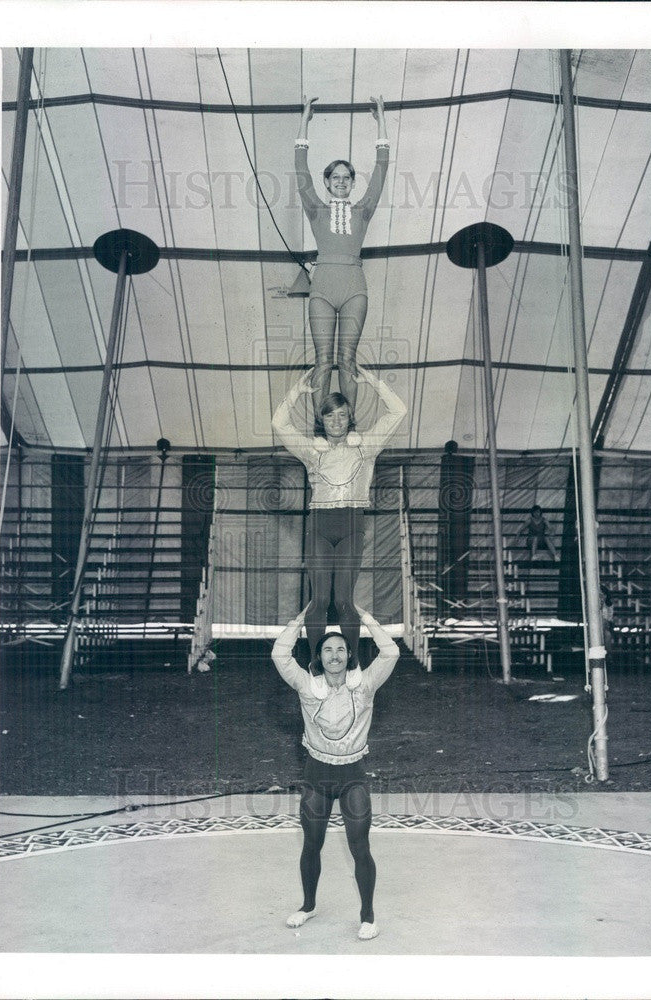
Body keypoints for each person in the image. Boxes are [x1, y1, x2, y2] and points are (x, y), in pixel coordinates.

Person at [271, 602, 400, 941]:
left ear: (349, 655)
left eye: (341, 649)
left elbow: (390, 653)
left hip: (352, 776)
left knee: (360, 846)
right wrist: (297, 621)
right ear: (319, 657)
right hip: (317, 777)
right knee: (312, 844)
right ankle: (308, 905)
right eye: (327, 650)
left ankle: (368, 915)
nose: (334, 655)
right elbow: (280, 656)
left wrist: (367, 619)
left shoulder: (366, 685)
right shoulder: (306, 686)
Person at [272, 365, 406, 678]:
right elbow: (279, 422)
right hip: (319, 524)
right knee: (319, 599)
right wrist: (297, 392)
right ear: (322, 420)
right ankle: (318, 666)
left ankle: (352, 664)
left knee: (344, 599)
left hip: (351, 524)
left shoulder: (367, 446)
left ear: (350, 418)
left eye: (342, 415)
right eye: (330, 416)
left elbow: (399, 409)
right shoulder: (310, 450)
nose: (336, 421)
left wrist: (372, 380)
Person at [295, 94, 389, 417]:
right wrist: (304, 120)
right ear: (326, 182)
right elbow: (300, 169)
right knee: (323, 359)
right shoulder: (315, 209)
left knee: (347, 359)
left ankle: (350, 426)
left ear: (351, 183)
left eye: (346, 178)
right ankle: (320, 428)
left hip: (354, 288)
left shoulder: (363, 210)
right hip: (322, 288)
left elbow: (381, 169)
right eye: (335, 177)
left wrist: (381, 123)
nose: (340, 182)